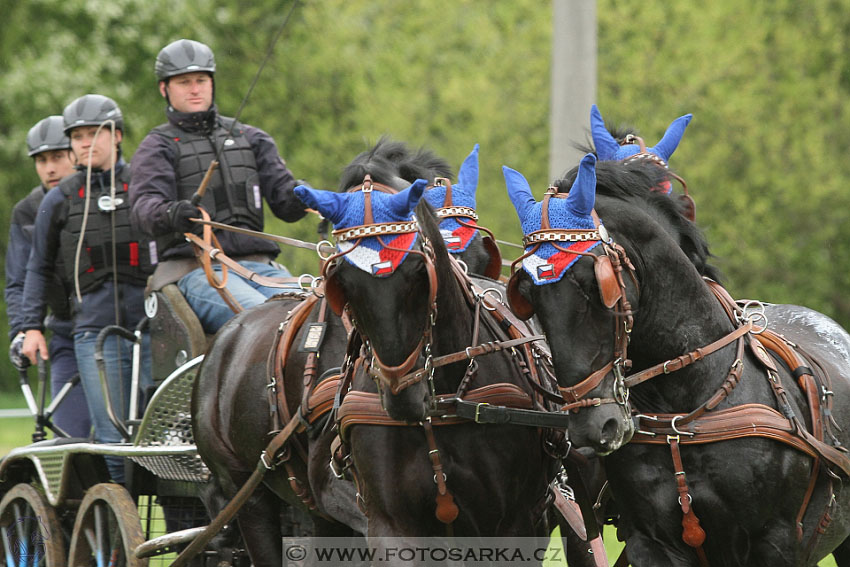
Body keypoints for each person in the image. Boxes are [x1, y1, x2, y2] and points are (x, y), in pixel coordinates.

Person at [129, 38, 307, 335]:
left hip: (261, 268)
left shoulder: (252, 138)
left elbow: (285, 204)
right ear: (164, 89)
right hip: (195, 270)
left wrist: (304, 195)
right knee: (264, 319)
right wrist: (171, 213)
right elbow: (143, 210)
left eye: (201, 80)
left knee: (315, 313)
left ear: (212, 83)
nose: (195, 88)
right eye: (184, 82)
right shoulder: (156, 146)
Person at [20, 95, 154, 482]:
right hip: (94, 331)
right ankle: (120, 532)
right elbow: (38, 268)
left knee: (164, 438)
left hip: (152, 327)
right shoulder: (58, 200)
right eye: (77, 137)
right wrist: (30, 327)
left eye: (95, 134)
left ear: (118, 137)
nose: (86, 143)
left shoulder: (146, 187)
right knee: (112, 440)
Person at [6, 115, 91, 438]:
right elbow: (18, 281)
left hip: (114, 330)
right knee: (67, 438)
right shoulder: (26, 211)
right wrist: (22, 331)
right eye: (41, 160)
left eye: (57, 156)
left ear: (74, 152)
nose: (49, 168)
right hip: (66, 333)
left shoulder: (96, 196)